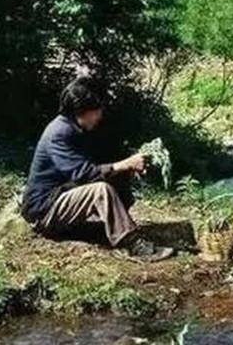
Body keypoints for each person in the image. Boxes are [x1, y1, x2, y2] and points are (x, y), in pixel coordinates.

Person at [21, 76, 171, 261]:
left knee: (118, 174)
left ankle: (105, 230)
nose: (100, 115)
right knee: (100, 190)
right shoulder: (59, 133)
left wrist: (128, 167)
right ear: (80, 111)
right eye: (96, 111)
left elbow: (101, 164)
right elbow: (84, 174)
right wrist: (125, 163)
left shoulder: (76, 129)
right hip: (44, 210)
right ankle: (134, 245)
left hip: (61, 196)